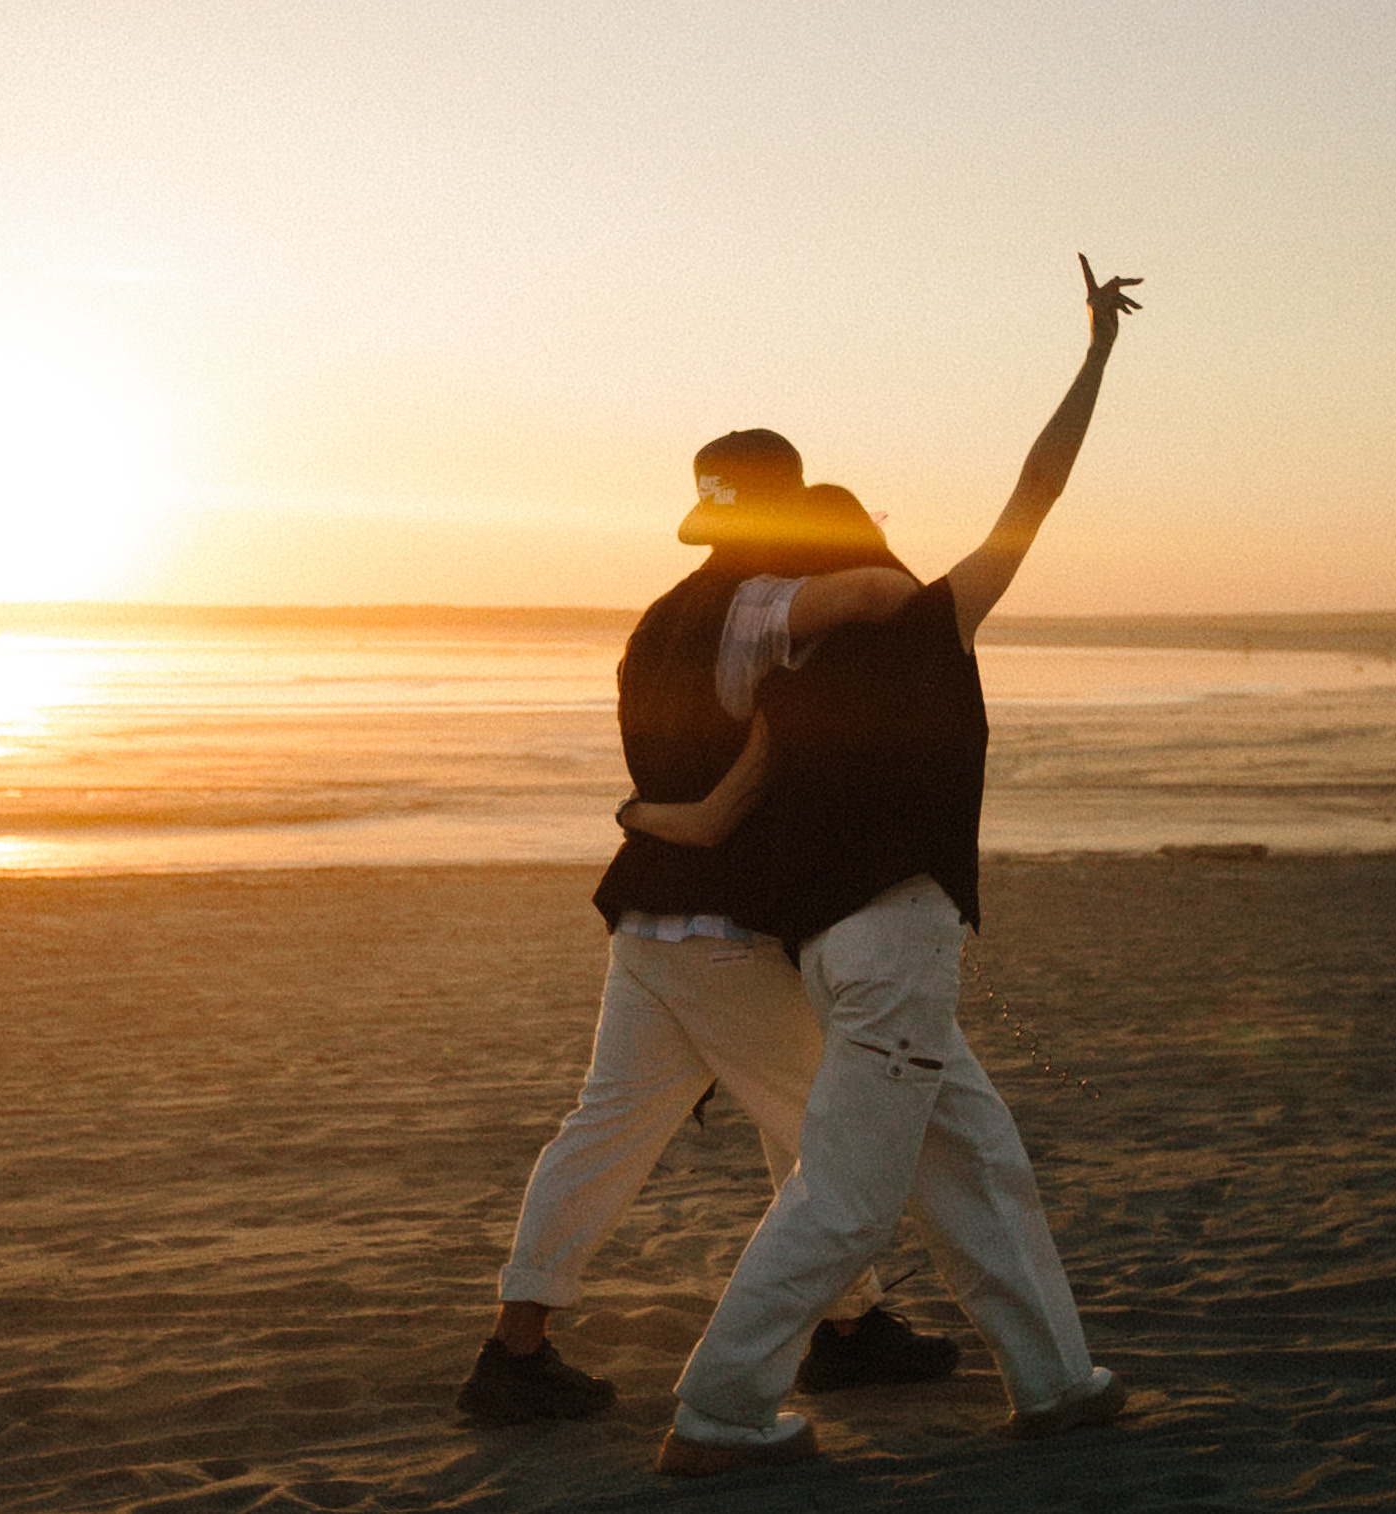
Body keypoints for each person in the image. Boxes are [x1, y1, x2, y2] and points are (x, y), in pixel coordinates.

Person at [642, 255, 1144, 1475]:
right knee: (850, 1197)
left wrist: (631, 818)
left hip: (832, 956)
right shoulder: (934, 624)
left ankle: (1055, 1379)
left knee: (980, 1160)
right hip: (894, 947)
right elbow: (1037, 491)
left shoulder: (780, 675)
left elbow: (714, 819)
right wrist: (1094, 359)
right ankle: (716, 1407)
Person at [454, 433, 955, 1422]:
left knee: (606, 1133)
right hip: (722, 924)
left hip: (648, 916)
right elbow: (864, 601)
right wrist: (917, 596)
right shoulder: (759, 600)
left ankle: (515, 1350)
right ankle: (836, 1333)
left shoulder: (658, 621)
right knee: (826, 1126)